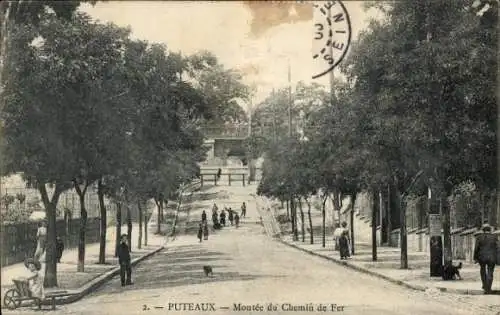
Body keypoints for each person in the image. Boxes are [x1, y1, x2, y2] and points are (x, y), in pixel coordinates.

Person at [473, 224, 498, 294]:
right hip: (492, 257)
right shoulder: (494, 237)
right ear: (490, 230)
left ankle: (485, 285)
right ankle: (488, 287)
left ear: (483, 230)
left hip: (482, 257)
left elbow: (476, 248)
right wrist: (498, 258)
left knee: (483, 271)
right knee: (490, 272)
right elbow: (498, 248)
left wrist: (475, 258)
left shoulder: (479, 237)